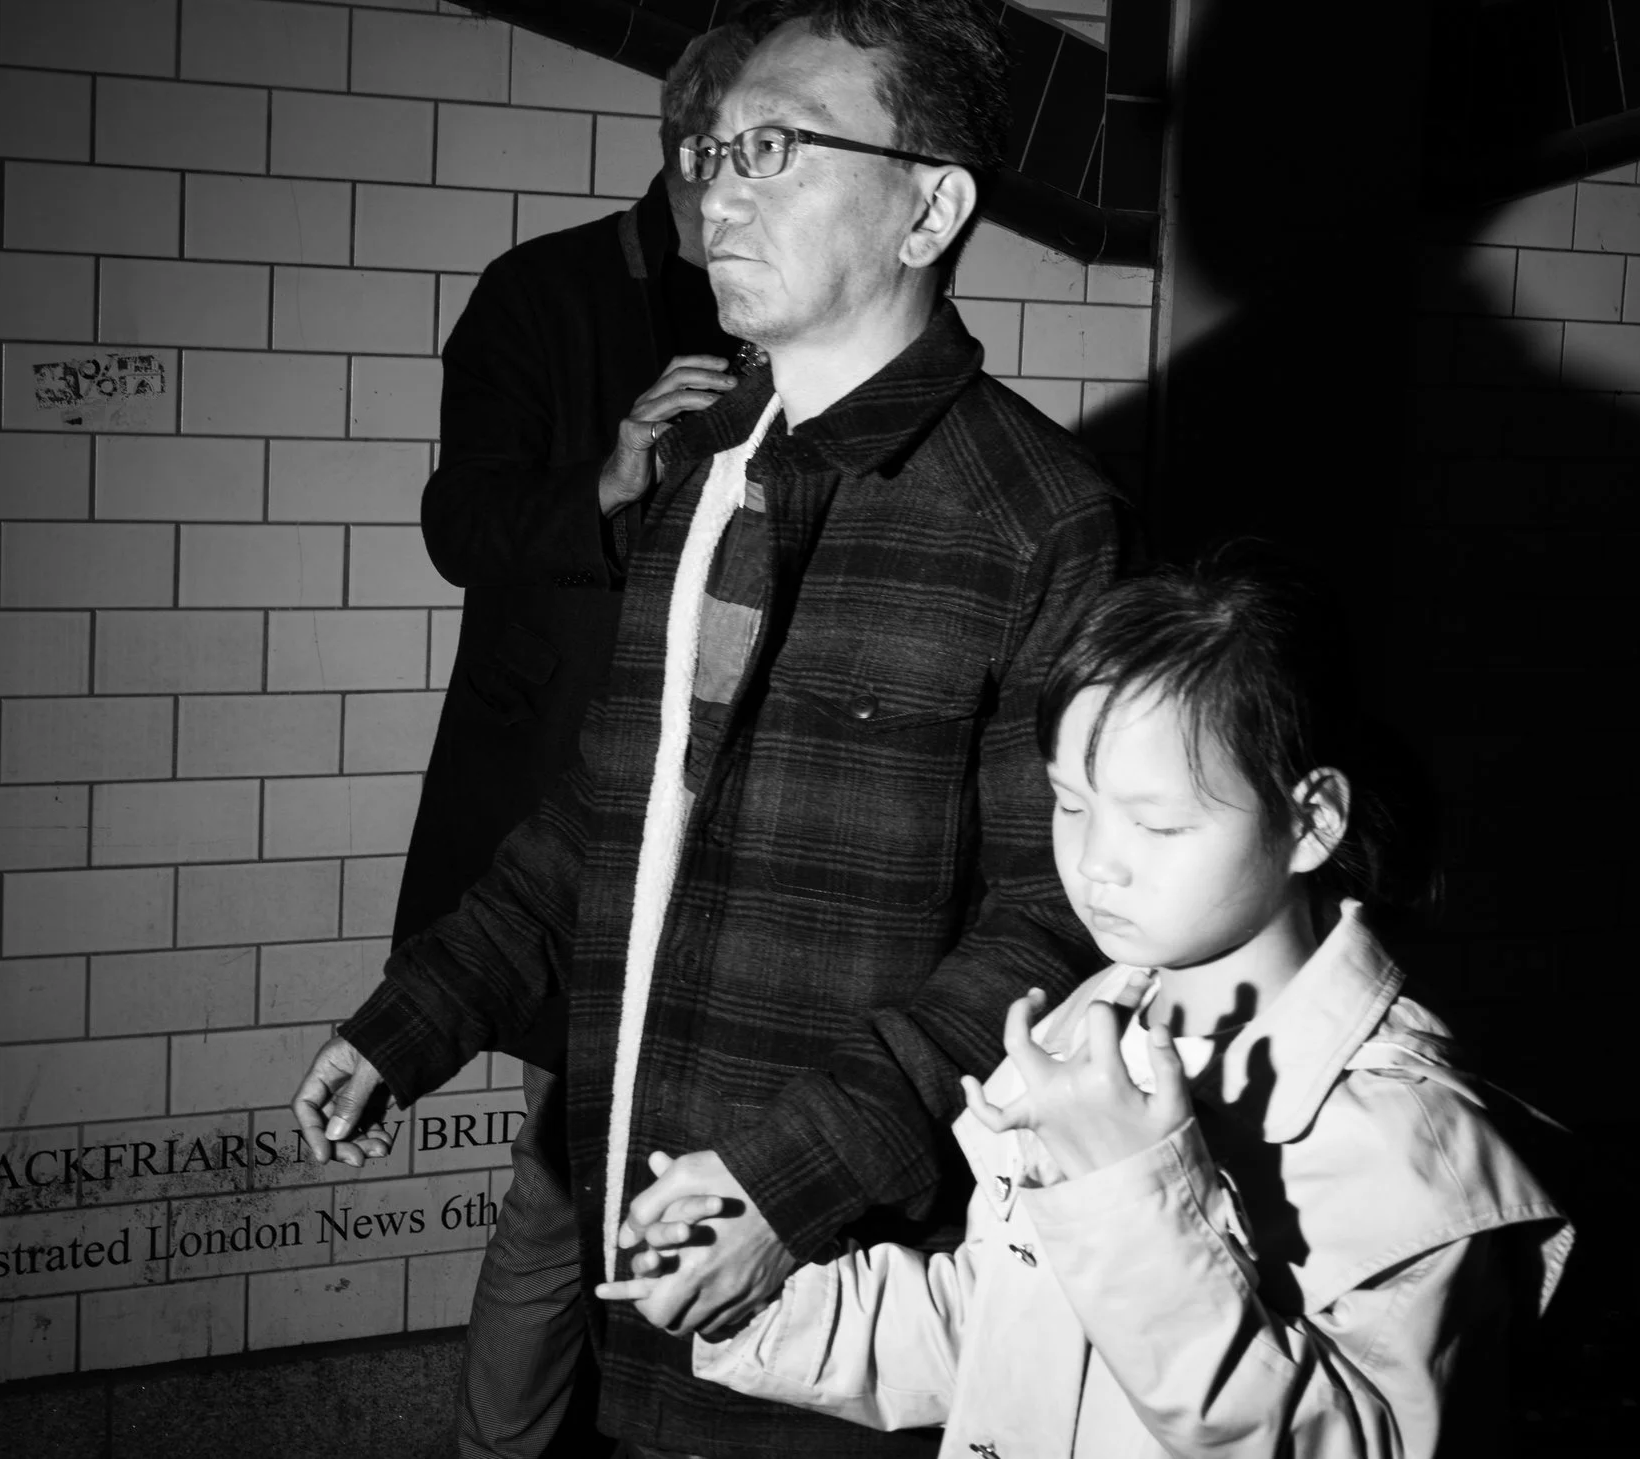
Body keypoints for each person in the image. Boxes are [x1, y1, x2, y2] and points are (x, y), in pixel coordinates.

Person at [293, 0, 1124, 1458]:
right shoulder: (701, 484)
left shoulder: (1037, 516)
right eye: (714, 144)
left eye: (781, 148)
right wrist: (421, 1013)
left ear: (931, 204)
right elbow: (611, 808)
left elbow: (1057, 918)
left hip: (843, 1265)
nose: (719, 188)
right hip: (636, 1229)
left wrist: (789, 1174)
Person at [607, 551, 1574, 1457]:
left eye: (1157, 822)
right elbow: (996, 1332)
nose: (1095, 863)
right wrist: (759, 1303)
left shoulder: (1407, 1133)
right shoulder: (1087, 1028)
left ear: (1310, 819)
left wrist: (1130, 1189)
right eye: (1071, 803)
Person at [396, 23, 755, 1459]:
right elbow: (456, 523)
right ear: (692, 150)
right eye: (757, 148)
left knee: (697, 1180)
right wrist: (609, 473)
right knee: (561, 1174)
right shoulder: (539, 296)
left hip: (741, 816)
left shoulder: (786, 308)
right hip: (587, 819)